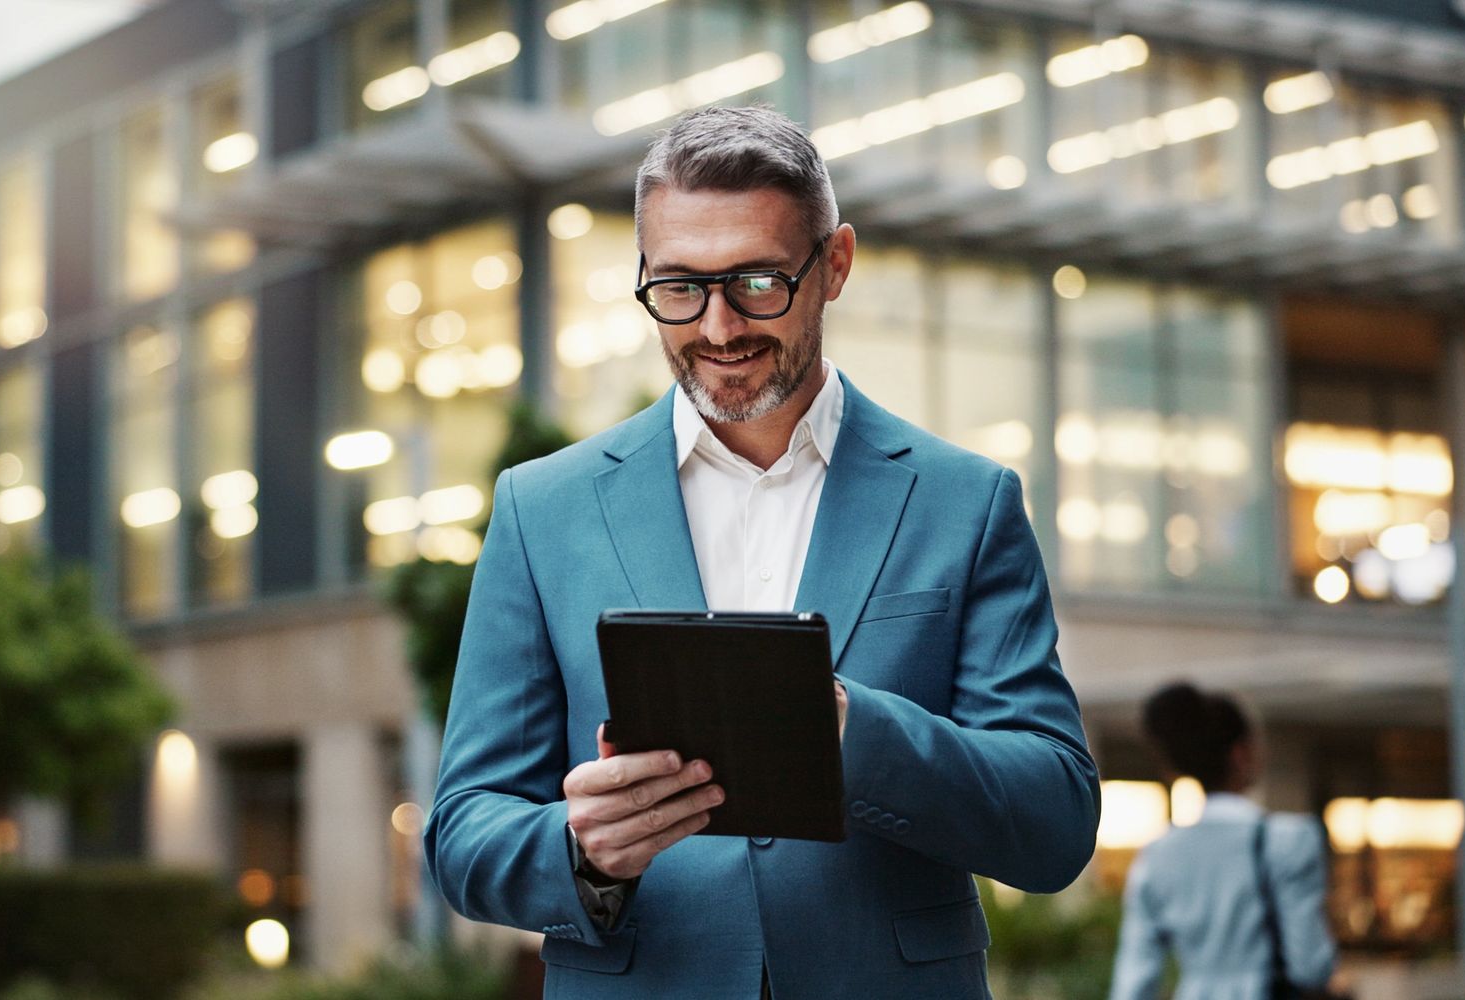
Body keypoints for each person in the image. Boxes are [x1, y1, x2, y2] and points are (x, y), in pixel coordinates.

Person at [422, 105, 1099, 999]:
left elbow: (1054, 818)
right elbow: (464, 831)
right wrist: (583, 852)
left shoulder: (964, 503)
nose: (716, 326)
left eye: (758, 282)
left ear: (836, 266)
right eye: (678, 287)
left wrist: (853, 731)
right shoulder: (541, 509)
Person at [1108, 682, 1339, 1000]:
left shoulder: (1158, 855)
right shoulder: (1286, 841)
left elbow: (1134, 982)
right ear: (1240, 753)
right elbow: (1310, 967)